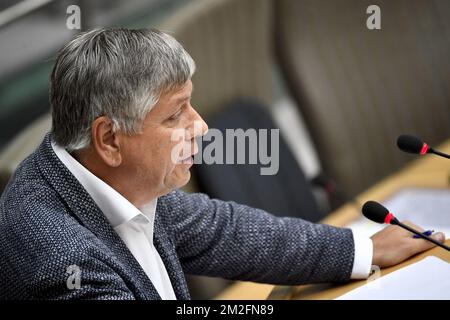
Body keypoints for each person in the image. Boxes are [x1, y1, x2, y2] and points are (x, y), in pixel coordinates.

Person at [0, 28, 445, 300]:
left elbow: (227, 232)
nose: (201, 126)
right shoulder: (59, 259)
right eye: (176, 115)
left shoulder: (104, 174)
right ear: (110, 139)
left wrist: (360, 250)